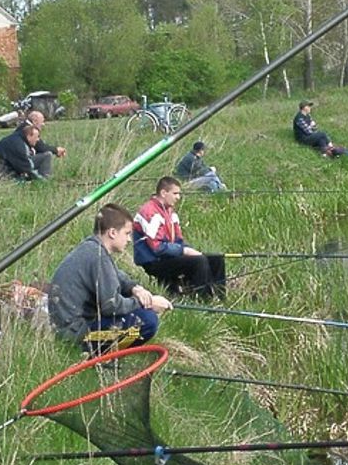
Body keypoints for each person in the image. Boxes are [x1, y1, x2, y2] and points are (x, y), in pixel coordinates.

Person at [49, 203, 172, 356]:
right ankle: (102, 354)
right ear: (113, 232)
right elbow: (111, 306)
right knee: (146, 322)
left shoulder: (92, 248)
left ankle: (103, 351)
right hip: (76, 335)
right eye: (127, 233)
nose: (129, 240)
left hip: (69, 326)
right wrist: (145, 302)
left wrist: (136, 288)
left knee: (137, 306)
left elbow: (116, 274)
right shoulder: (98, 257)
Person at [133, 176, 225, 298]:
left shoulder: (170, 212)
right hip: (154, 261)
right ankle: (204, 300)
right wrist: (184, 251)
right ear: (163, 193)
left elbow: (178, 240)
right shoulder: (150, 212)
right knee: (199, 261)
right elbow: (157, 248)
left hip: (168, 256)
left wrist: (192, 251)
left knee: (216, 258)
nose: (178, 197)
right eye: (175, 193)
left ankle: (220, 298)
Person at [18, 110, 66, 178]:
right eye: (42, 121)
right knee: (47, 155)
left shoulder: (24, 127)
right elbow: (40, 147)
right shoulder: (28, 129)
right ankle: (44, 180)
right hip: (22, 162)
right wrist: (56, 150)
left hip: (19, 161)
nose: (43, 124)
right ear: (34, 121)